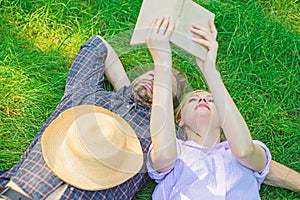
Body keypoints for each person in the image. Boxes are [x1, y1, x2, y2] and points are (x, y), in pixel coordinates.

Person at [0, 19, 298, 200]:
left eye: (170, 88)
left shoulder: (156, 134)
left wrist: (167, 75)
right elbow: (97, 45)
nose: (157, 79)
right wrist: (128, 89)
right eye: (152, 75)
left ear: (173, 115)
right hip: (21, 186)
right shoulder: (87, 95)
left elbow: (252, 159)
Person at [145, 16, 300, 199]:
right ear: (180, 119)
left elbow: (244, 151)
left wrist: (209, 69)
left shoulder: (245, 152)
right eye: (193, 99)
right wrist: (162, 63)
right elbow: (164, 155)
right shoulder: (176, 151)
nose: (203, 98)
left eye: (212, 100)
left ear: (224, 119)